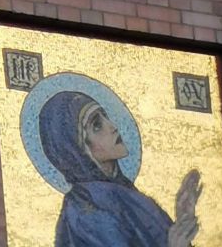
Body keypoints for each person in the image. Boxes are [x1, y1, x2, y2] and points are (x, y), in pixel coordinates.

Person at [38, 89, 200, 246]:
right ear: (76, 149)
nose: (113, 126)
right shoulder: (83, 210)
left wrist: (182, 220)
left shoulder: (133, 198)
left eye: (106, 117)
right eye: (97, 125)